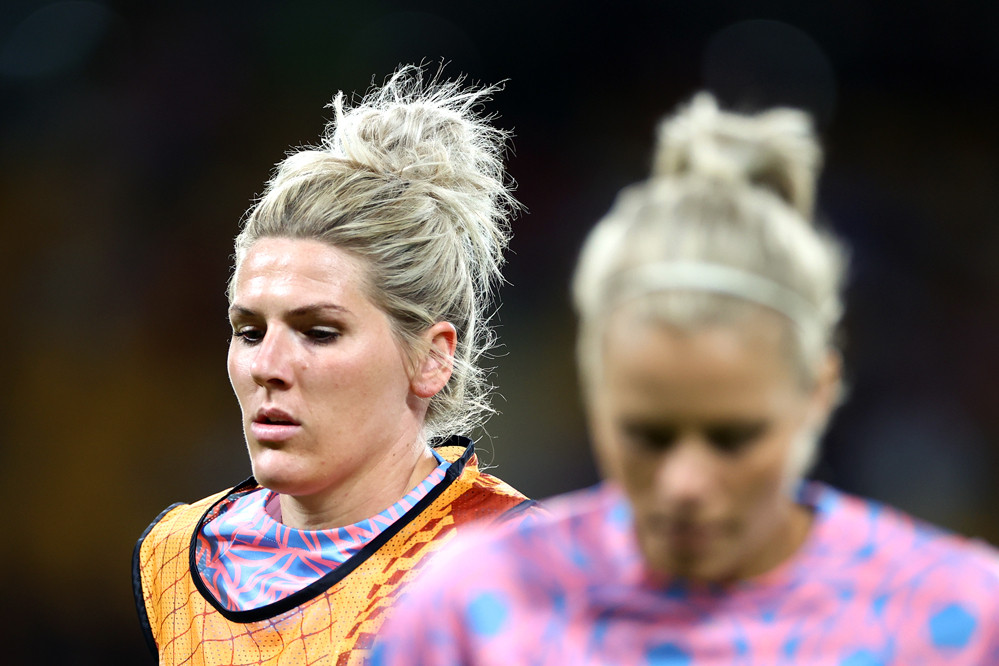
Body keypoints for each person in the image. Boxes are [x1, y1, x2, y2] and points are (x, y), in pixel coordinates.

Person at [370, 94, 999, 664]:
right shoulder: (475, 609)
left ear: (818, 391)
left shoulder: (958, 619)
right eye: (647, 435)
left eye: (734, 439)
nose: (686, 483)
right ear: (594, 389)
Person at [131, 66, 539, 665]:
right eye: (249, 332)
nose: (268, 366)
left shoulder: (522, 568)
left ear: (431, 358)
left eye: (318, 333)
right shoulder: (174, 561)